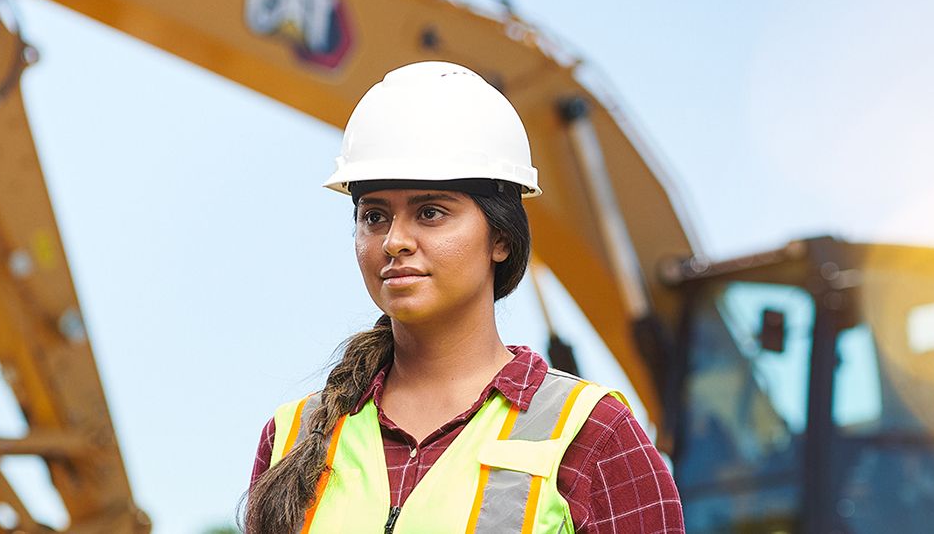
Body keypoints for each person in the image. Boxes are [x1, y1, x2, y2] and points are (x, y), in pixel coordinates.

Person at [244, 61, 684, 533]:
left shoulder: (592, 435)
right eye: (373, 217)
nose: (395, 241)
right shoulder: (292, 438)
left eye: (430, 212)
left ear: (502, 238)